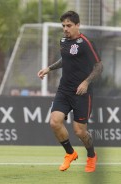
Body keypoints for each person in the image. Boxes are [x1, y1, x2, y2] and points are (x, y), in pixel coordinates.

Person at [37, 11, 103, 172]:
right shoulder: (63, 41)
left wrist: (86, 82)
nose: (65, 29)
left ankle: (91, 156)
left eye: (69, 25)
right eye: (63, 26)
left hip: (82, 92)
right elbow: (65, 59)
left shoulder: (86, 43)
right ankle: (70, 154)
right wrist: (49, 68)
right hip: (64, 89)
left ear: (77, 25)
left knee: (80, 131)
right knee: (54, 122)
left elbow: (99, 66)